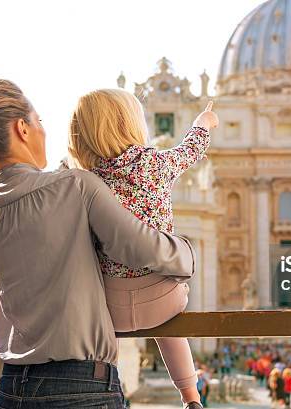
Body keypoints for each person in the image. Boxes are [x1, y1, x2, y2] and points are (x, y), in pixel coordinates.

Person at [0, 78, 196, 408]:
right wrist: (187, 253)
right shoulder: (76, 186)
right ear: (22, 129)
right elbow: (143, 249)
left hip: (11, 385)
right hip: (79, 384)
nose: (44, 131)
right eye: (39, 121)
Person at [67, 88, 218, 408]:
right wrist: (203, 122)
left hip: (109, 303)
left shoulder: (85, 180)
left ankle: (103, 389)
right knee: (170, 327)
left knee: (102, 335)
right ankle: (191, 396)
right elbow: (189, 150)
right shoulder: (156, 164)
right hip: (162, 297)